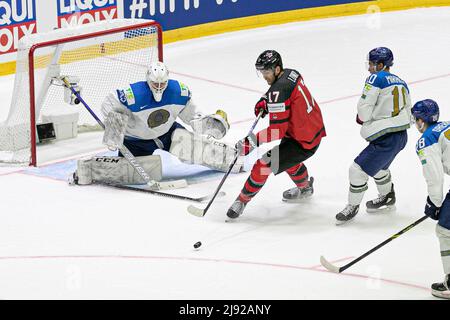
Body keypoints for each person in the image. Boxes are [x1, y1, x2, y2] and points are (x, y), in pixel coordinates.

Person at [70, 61, 240, 186]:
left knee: (194, 148)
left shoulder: (178, 91)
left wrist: (210, 125)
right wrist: (115, 127)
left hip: (167, 133)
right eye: (155, 83)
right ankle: (89, 168)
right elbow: (108, 105)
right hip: (135, 141)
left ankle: (232, 159)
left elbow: (193, 117)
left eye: (162, 83)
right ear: (147, 80)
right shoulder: (133, 94)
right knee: (134, 175)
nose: (159, 87)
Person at [226, 50, 326, 219]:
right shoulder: (291, 73)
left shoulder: (278, 91)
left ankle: (241, 201)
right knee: (287, 160)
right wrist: (266, 100)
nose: (264, 76)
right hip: (310, 130)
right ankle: (305, 188)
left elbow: (276, 131)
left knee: (263, 165)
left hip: (301, 141)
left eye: (266, 72)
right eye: (262, 72)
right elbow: (281, 92)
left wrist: (251, 142)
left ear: (277, 69)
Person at [336, 47, 411, 225]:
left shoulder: (375, 78)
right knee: (379, 168)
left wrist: (364, 118)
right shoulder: (402, 82)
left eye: (371, 64)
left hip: (386, 137)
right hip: (400, 136)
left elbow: (364, 109)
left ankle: (352, 206)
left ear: (380, 64)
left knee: (357, 170)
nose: (369, 68)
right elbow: (409, 110)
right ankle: (387, 196)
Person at [411, 99, 450, 299]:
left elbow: (434, 177)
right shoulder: (447, 127)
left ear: (421, 120)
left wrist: (434, 204)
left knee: (445, 230)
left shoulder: (427, 139)